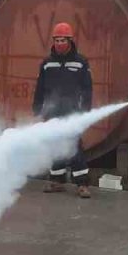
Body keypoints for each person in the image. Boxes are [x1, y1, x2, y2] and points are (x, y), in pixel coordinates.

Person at [33, 21, 93, 198]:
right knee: (55, 144)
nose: (59, 44)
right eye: (57, 40)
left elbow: (87, 88)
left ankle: (82, 184)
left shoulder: (81, 62)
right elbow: (40, 88)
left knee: (74, 145)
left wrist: (85, 110)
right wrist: (37, 109)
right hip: (52, 111)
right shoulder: (47, 63)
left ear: (70, 41)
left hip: (73, 111)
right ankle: (57, 181)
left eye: (63, 40)